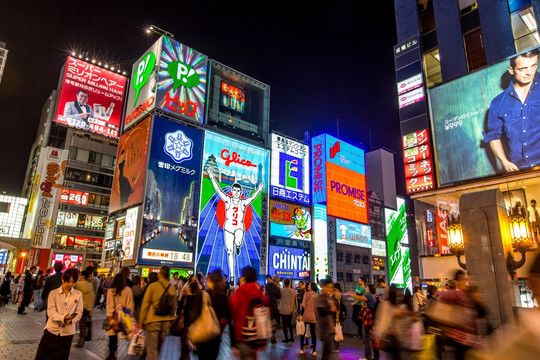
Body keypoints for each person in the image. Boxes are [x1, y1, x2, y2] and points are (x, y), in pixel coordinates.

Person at [484, 48, 540, 172]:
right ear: (511, 70)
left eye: (534, 65)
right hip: (519, 170)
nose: (530, 72)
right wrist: (504, 162)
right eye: (523, 68)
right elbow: (493, 136)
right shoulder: (498, 102)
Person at [206, 166, 264, 284]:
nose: (237, 193)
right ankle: (232, 275)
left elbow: (252, 197)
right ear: (232, 191)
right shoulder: (228, 200)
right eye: (235, 191)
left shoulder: (243, 203)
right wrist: (212, 176)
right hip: (228, 228)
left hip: (239, 227)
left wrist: (259, 189)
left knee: (238, 240)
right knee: (229, 251)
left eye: (239, 191)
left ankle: (238, 245)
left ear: (240, 192)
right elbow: (218, 190)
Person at [34, 268, 83, 360]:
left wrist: (71, 320)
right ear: (62, 279)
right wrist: (63, 318)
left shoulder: (78, 294)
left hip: (67, 334)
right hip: (52, 331)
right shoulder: (54, 293)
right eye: (68, 281)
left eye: (73, 282)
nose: (70, 284)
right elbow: (51, 312)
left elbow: (79, 312)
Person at [139, 265, 176, 360]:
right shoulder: (172, 288)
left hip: (153, 321)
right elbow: (174, 306)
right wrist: (171, 318)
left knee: (152, 350)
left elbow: (145, 305)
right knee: (158, 349)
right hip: (166, 322)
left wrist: (141, 321)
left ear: (160, 274)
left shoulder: (153, 286)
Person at [229, 266, 265, 360]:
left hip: (243, 336)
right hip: (257, 336)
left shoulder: (239, 293)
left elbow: (230, 313)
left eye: (241, 276)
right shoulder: (260, 292)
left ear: (244, 278)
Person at [194, 269, 230, 360]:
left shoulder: (203, 295)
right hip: (215, 337)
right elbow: (226, 319)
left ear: (210, 282)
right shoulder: (223, 298)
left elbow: (196, 315)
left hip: (202, 335)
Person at [106, 273, 134, 360]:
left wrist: (110, 318)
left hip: (114, 316)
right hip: (124, 317)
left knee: (112, 337)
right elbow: (130, 306)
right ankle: (114, 353)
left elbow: (109, 306)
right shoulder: (128, 290)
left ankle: (112, 355)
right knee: (119, 338)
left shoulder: (111, 291)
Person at [316, 278, 337, 360]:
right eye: (329, 287)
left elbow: (334, 310)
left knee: (328, 351)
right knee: (326, 353)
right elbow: (322, 311)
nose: (330, 289)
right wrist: (331, 309)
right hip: (324, 328)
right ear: (324, 287)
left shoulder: (329, 297)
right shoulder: (320, 297)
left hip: (330, 328)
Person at [74, 270, 95, 348]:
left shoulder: (78, 285)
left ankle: (80, 340)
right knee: (83, 324)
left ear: (83, 276)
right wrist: (90, 309)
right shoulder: (90, 285)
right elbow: (92, 297)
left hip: (79, 306)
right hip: (87, 308)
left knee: (74, 323)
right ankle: (82, 338)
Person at [300, 282, 318, 355]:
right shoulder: (317, 295)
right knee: (313, 333)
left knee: (302, 332)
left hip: (305, 315)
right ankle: (314, 351)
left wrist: (301, 314)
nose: (308, 286)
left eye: (309, 285)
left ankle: (301, 349)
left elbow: (303, 305)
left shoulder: (306, 294)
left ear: (312, 287)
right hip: (313, 316)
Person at [279, 278, 297, 343]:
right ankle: (291, 337)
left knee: (284, 325)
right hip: (290, 309)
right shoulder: (293, 291)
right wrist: (294, 310)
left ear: (284, 284)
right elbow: (295, 302)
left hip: (283, 310)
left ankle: (286, 338)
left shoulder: (281, 291)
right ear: (290, 283)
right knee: (290, 324)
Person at [264, 274, 281, 344]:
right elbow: (279, 297)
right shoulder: (276, 288)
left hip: (266, 305)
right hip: (274, 306)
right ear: (277, 281)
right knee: (273, 322)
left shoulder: (267, 286)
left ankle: (265, 336)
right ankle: (273, 337)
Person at [332, 283, 346, 353]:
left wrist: (337, 316)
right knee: (336, 330)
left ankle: (336, 347)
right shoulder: (338, 293)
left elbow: (338, 305)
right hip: (339, 315)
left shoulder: (337, 294)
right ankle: (335, 347)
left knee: (335, 331)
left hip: (337, 315)